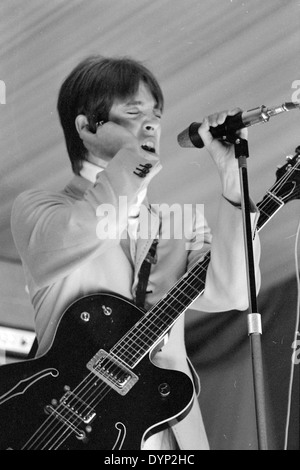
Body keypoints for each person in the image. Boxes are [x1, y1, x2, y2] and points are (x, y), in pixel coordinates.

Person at [11, 55, 261, 450]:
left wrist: (232, 185)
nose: (152, 124)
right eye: (133, 112)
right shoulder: (41, 209)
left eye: (156, 114)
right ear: (86, 127)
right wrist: (136, 160)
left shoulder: (175, 224)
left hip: (164, 436)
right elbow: (94, 226)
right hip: (67, 433)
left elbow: (234, 291)